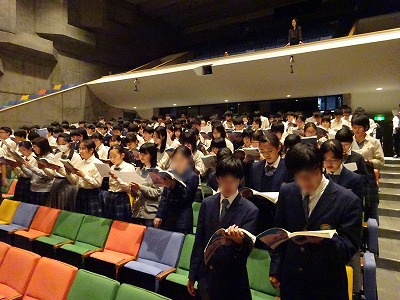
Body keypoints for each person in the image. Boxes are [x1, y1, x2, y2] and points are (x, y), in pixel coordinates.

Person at [269, 143, 362, 300]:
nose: (304, 182)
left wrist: (323, 242)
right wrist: (275, 269)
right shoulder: (287, 192)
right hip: (292, 281)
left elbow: (349, 246)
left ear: (321, 168)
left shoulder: (347, 200)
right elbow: (280, 233)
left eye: (309, 176)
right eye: (298, 177)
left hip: (326, 283)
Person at [188, 156, 259, 300]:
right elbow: (199, 242)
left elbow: (246, 251)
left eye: (232, 181)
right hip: (207, 277)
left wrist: (239, 242)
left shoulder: (250, 210)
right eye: (223, 180)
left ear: (239, 181)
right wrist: (192, 274)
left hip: (232, 281)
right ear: (217, 179)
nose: (227, 185)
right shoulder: (208, 203)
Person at [154, 146, 199, 234]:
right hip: (168, 216)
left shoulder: (193, 176)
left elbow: (185, 197)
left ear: (188, 160)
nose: (178, 163)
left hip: (182, 219)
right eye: (175, 160)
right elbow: (164, 196)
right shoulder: (170, 173)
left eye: (181, 160)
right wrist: (159, 215)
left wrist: (174, 185)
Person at [351, 114, 384, 220]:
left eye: (359, 127)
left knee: (371, 205)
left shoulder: (374, 142)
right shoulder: (350, 141)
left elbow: (381, 161)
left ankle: (372, 231)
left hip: (368, 175)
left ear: (365, 127)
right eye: (354, 127)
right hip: (353, 174)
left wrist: (369, 161)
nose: (356, 130)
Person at [65, 140, 103, 216]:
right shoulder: (81, 162)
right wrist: (68, 174)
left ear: (91, 150)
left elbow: (98, 184)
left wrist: (84, 176)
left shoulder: (98, 163)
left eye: (83, 149)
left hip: (92, 194)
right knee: (80, 217)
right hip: (81, 192)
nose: (81, 151)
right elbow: (75, 182)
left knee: (92, 219)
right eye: (80, 149)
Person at [131, 143, 163, 226]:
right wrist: (133, 189)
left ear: (152, 155)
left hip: (149, 213)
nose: (142, 156)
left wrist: (140, 187)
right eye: (140, 153)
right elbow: (135, 194)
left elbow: (157, 192)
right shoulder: (139, 170)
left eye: (145, 154)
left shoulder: (156, 171)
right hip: (137, 212)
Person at [49, 133, 81, 211]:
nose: (60, 146)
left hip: (68, 185)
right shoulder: (57, 155)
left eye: (63, 144)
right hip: (56, 183)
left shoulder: (76, 156)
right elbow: (53, 173)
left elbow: (74, 178)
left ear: (69, 144)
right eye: (59, 144)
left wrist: (61, 170)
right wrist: (45, 168)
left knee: (64, 208)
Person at [104, 145, 136, 221]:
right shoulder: (112, 167)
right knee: (109, 221)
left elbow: (128, 188)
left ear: (122, 155)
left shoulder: (129, 167)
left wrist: (117, 178)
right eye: (110, 157)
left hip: (122, 197)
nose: (112, 159)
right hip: (111, 196)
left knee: (121, 222)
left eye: (114, 157)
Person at [21, 137, 55, 205]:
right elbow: (32, 175)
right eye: (33, 147)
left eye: (35, 147)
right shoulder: (39, 156)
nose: (34, 149)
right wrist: (22, 166)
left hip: (44, 189)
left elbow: (46, 175)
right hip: (34, 187)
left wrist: (31, 167)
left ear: (42, 146)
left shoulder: (50, 157)